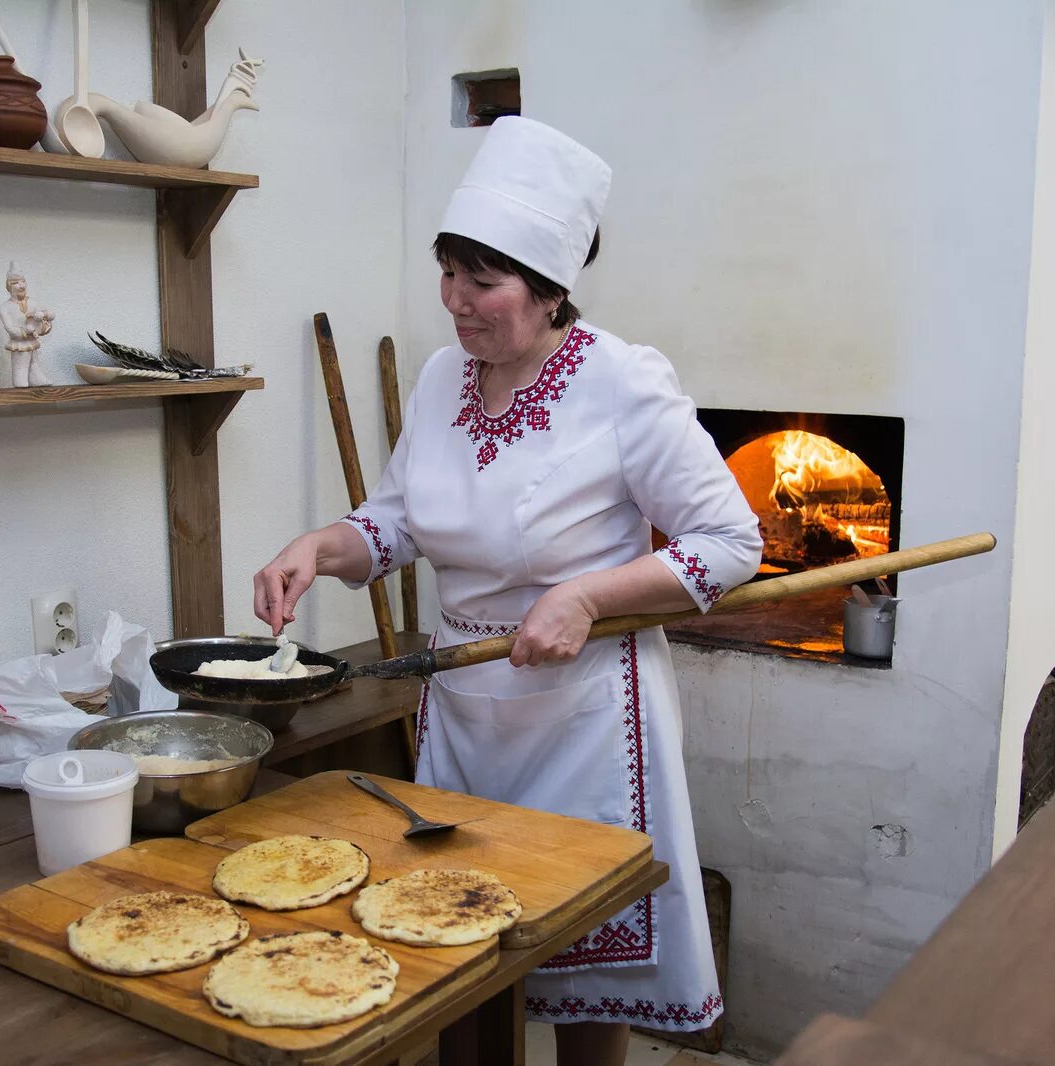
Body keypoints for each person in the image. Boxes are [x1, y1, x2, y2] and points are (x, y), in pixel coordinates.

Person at [253, 116, 762, 1066]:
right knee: (457, 952)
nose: (453, 301)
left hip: (584, 723)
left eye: (480, 281)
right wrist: (320, 547)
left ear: (550, 288)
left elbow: (731, 543)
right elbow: (398, 521)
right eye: (447, 272)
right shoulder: (447, 376)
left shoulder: (621, 385)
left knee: (579, 975)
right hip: (467, 713)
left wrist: (586, 598)